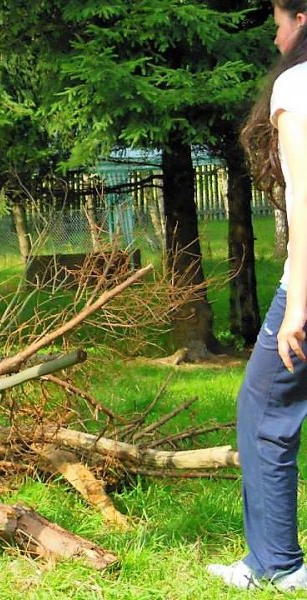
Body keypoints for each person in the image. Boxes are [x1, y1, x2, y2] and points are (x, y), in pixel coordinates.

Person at [207, 0, 307, 591]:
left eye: (278, 22)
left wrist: (298, 303)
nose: (274, 38)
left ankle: (276, 563)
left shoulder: (296, 86)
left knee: (264, 408)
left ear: (302, 19)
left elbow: (305, 198)